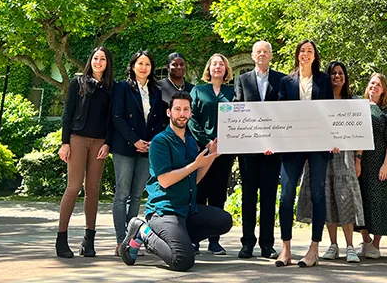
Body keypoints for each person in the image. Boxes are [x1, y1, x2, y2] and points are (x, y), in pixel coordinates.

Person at [119, 92, 233, 271]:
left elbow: (193, 179)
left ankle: (180, 239)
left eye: (186, 109)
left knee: (223, 221)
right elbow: (164, 181)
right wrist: (195, 164)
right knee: (183, 260)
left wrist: (211, 156)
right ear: (169, 113)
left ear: (190, 113)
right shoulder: (160, 142)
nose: (182, 114)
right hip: (164, 211)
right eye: (178, 109)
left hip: (186, 210)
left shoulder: (189, 141)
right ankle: (143, 231)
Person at [297, 61, 364, 263]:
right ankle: (333, 245)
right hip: (320, 155)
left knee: (345, 198)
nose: (337, 76)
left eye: (340, 73)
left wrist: (358, 158)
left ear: (345, 77)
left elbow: (359, 134)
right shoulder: (319, 100)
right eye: (333, 73)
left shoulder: (353, 101)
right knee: (325, 198)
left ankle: (350, 246)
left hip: (345, 156)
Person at [276, 40, 335, 268]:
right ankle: (286, 249)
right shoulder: (285, 82)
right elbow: (278, 113)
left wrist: (334, 139)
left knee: (318, 194)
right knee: (286, 196)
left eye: (310, 51)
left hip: (318, 144)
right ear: (297, 55)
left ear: (315, 56)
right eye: (302, 51)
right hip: (291, 144)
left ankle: (313, 249)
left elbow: (331, 111)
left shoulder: (324, 80)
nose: (306, 54)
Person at [56, 46, 114, 258]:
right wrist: (65, 143)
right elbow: (67, 113)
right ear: (91, 60)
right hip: (77, 138)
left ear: (108, 63)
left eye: (103, 59)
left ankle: (88, 240)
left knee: (93, 188)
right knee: (73, 186)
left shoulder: (111, 88)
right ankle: (61, 238)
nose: (99, 62)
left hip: (99, 141)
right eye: (95, 58)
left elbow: (111, 120)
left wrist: (108, 143)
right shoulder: (77, 82)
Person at [110, 50, 167, 256]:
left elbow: (159, 120)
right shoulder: (122, 87)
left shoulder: (156, 91)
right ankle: (119, 240)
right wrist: (134, 140)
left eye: (148, 65)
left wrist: (153, 142)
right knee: (122, 194)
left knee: (136, 196)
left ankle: (130, 240)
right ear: (133, 66)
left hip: (147, 148)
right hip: (125, 147)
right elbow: (117, 116)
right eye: (140, 64)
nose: (144, 68)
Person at [233, 40, 285, 259]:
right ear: (253, 56)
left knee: (268, 197)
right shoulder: (242, 80)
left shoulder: (281, 79)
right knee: (248, 197)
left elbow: (285, 112)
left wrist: (274, 141)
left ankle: (267, 244)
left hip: (273, 151)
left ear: (271, 56)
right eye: (258, 52)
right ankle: (247, 243)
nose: (262, 55)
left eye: (266, 51)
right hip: (249, 152)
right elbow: (237, 109)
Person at [188, 53, 235, 255]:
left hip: (224, 152)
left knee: (218, 194)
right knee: (199, 193)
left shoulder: (232, 92)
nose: (218, 67)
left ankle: (214, 241)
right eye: (214, 64)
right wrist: (207, 142)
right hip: (202, 150)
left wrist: (223, 143)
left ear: (226, 70)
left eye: (221, 64)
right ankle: (196, 239)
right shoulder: (198, 91)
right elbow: (191, 118)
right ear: (209, 68)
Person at [356, 72, 387, 259]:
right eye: (372, 83)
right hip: (361, 161)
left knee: (379, 202)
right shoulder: (358, 107)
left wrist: (386, 164)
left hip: (380, 162)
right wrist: (356, 159)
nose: (374, 87)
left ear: (383, 89)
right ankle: (366, 240)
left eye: (378, 84)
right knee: (361, 201)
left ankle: (375, 245)